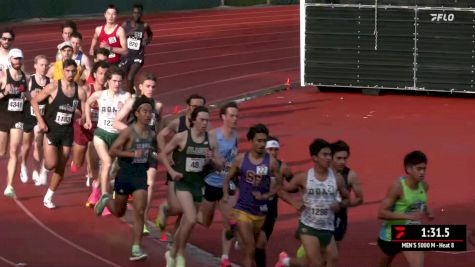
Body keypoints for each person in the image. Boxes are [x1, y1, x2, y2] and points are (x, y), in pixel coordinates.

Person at [160, 106, 223, 267]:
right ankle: (176, 252)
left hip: (198, 184)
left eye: (207, 120)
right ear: (193, 120)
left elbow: (220, 165)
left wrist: (212, 160)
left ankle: (173, 253)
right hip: (183, 182)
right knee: (192, 217)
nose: (205, 123)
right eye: (201, 120)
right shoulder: (181, 137)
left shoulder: (211, 140)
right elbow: (163, 154)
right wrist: (171, 171)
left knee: (188, 222)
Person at [94, 98, 155, 261]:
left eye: (150, 112)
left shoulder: (151, 133)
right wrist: (133, 154)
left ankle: (136, 248)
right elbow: (113, 150)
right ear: (136, 114)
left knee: (140, 211)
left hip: (140, 176)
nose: (148, 115)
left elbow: (155, 149)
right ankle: (106, 199)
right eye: (144, 112)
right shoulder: (129, 131)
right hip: (125, 175)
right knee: (119, 211)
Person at [277, 138, 350, 267]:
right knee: (316, 263)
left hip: (327, 227)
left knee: (332, 258)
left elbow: (346, 198)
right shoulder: (304, 177)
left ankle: (285, 262)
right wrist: (294, 203)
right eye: (325, 155)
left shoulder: (337, 179)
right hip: (308, 227)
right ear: (315, 157)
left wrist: (339, 205)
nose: (328, 158)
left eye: (330, 155)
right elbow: (282, 191)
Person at [290, 140, 365, 265]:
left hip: (337, 220)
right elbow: (299, 188)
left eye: (345, 158)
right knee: (314, 261)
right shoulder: (315, 174)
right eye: (338, 158)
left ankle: (288, 262)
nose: (342, 161)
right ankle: (289, 262)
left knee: (331, 258)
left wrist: (340, 204)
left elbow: (359, 199)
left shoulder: (349, 176)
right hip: (313, 222)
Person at [222, 124, 283, 267]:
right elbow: (227, 179)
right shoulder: (240, 160)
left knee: (256, 247)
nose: (262, 144)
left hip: (261, 213)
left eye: (264, 141)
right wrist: (225, 194)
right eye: (259, 141)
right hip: (243, 210)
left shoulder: (272, 163)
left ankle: (234, 230)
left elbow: (279, 184)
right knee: (249, 250)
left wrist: (267, 195)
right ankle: (236, 228)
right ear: (251, 141)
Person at [31, 59, 87, 208]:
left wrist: (80, 116)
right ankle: (44, 165)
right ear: (62, 71)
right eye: (68, 71)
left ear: (76, 73)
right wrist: (41, 122)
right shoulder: (53, 87)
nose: (70, 74)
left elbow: (82, 113)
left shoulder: (80, 91)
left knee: (61, 165)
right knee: (51, 164)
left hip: (67, 132)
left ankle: (49, 196)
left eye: (73, 71)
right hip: (51, 130)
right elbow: (34, 101)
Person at [113, 72, 163, 233]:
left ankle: (143, 220)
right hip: (133, 148)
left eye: (153, 87)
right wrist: (132, 133)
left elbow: (158, 128)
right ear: (140, 87)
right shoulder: (133, 102)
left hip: (150, 147)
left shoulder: (158, 105)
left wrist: (159, 144)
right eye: (147, 86)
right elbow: (116, 121)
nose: (150, 89)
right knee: (129, 182)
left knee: (150, 182)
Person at [155, 94, 206, 238]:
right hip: (176, 168)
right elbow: (160, 135)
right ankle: (165, 208)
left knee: (187, 209)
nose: (196, 109)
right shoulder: (179, 123)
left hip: (194, 171)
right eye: (194, 106)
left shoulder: (205, 126)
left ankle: (175, 239)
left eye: (200, 106)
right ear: (188, 107)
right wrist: (165, 153)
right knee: (177, 207)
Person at [196, 101, 239, 267]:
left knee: (230, 220)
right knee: (205, 221)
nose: (235, 119)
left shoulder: (236, 136)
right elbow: (203, 158)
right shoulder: (213, 135)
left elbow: (233, 158)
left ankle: (225, 257)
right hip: (210, 183)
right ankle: (188, 214)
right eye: (231, 115)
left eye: (236, 116)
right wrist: (213, 161)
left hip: (227, 184)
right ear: (223, 117)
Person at [377, 151, 434, 267]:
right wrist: (407, 216)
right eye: (419, 169)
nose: (423, 172)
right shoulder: (397, 186)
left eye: (424, 169)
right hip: (391, 235)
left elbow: (418, 202)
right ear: (408, 169)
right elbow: (381, 213)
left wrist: (427, 210)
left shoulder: (424, 185)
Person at [84, 67, 130, 198]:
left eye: (119, 81)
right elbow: (87, 103)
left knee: (110, 169)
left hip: (117, 137)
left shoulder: (126, 96)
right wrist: (88, 119)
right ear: (108, 81)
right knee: (107, 162)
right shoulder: (100, 95)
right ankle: (105, 197)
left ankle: (97, 187)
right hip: (101, 134)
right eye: (114, 81)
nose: (117, 84)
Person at [254, 136, 300, 267]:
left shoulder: (283, 168)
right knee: (254, 245)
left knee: (261, 243)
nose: (273, 152)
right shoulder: (254, 164)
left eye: (275, 149)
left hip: (270, 211)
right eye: (270, 149)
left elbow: (293, 186)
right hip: (253, 209)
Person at [70, 60, 109, 193]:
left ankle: (95, 185)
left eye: (106, 74)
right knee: (77, 164)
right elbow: (75, 108)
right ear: (94, 74)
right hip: (83, 128)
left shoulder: (110, 92)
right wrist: (81, 117)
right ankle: (76, 162)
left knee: (96, 160)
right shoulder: (87, 89)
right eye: (100, 73)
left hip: (99, 129)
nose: (103, 76)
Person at [0, 48, 28, 198]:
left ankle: (9, 186)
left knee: (14, 151)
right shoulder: (3, 76)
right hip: (3, 117)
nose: (18, 61)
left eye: (20, 59)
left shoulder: (25, 77)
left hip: (17, 118)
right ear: (10, 59)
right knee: (2, 151)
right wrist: (5, 92)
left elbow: (28, 95)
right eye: (15, 59)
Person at [19, 55, 50, 185]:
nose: (44, 68)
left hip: (42, 117)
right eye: (41, 65)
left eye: (46, 65)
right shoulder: (29, 80)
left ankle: (36, 170)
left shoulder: (50, 81)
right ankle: (23, 166)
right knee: (26, 145)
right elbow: (20, 95)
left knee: (39, 144)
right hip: (29, 116)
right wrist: (27, 96)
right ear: (35, 66)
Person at [120, 3, 153, 94]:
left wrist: (147, 41)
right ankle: (132, 92)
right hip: (126, 55)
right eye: (134, 13)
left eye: (138, 13)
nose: (136, 15)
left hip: (138, 55)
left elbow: (150, 35)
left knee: (130, 77)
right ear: (132, 13)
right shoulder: (125, 24)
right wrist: (128, 34)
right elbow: (117, 35)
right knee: (123, 77)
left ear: (141, 14)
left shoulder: (144, 25)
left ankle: (131, 98)